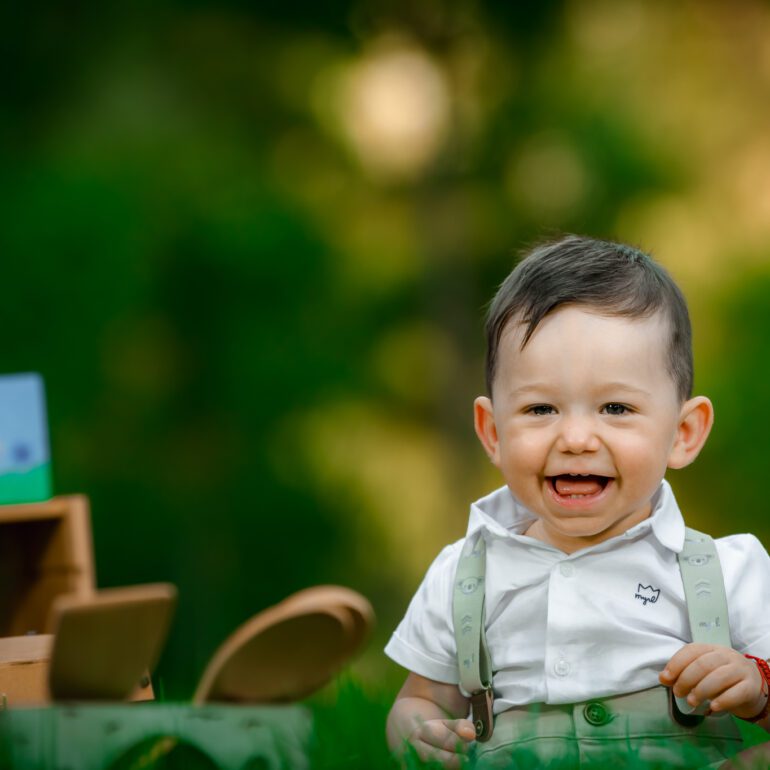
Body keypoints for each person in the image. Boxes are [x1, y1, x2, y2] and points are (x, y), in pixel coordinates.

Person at [385, 235, 770, 769]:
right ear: (493, 432)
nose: (576, 438)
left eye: (615, 408)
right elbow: (419, 700)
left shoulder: (725, 571)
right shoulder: (466, 573)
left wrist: (756, 688)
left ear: (683, 433)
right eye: (541, 409)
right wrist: (418, 733)